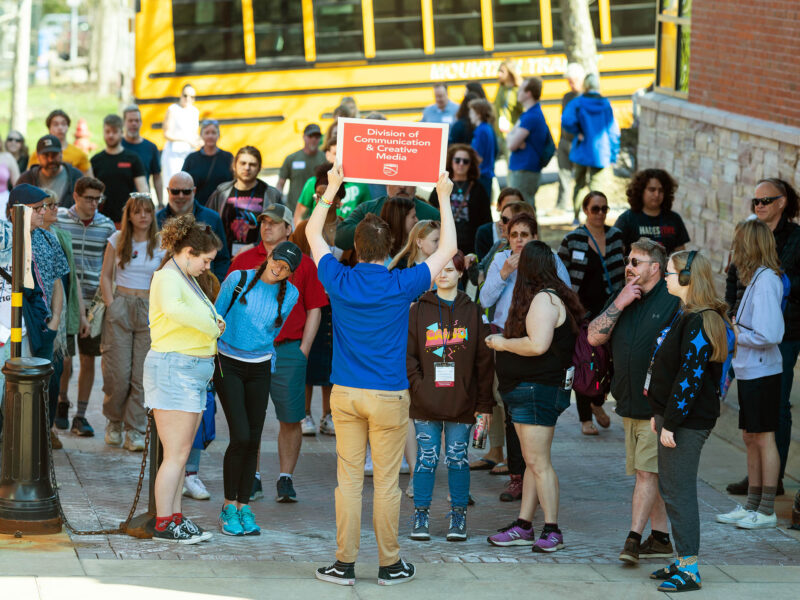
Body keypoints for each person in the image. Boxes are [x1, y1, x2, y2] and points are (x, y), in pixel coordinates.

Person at [310, 166, 457, 587]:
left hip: (346, 393)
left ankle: (344, 564)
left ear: (355, 246)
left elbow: (312, 236)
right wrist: (443, 195)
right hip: (389, 395)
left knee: (348, 483)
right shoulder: (401, 283)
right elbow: (447, 248)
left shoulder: (338, 277)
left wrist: (333, 189)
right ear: (390, 246)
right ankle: (390, 564)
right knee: (388, 485)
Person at [485, 241, 582, 553]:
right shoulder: (551, 295)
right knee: (532, 461)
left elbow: (537, 345)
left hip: (537, 390)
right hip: (532, 390)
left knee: (539, 462)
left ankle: (552, 529)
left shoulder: (543, 299)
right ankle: (524, 525)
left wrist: (503, 343)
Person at [228, 203, 328, 502]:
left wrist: (305, 348)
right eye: (263, 222)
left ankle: (286, 478)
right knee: (250, 417)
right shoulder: (244, 260)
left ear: (288, 228)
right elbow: (229, 305)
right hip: (250, 352)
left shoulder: (305, 264)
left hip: (289, 351)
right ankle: (253, 476)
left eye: (275, 223)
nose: (267, 227)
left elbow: (315, 307)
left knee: (291, 417)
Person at [587, 238, 678, 566]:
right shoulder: (623, 297)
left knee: (646, 474)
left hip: (658, 409)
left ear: (655, 267)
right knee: (648, 474)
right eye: (628, 259)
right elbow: (594, 336)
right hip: (628, 405)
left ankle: (633, 539)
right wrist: (620, 302)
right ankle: (662, 539)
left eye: (636, 262)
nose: (629, 266)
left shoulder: (672, 299)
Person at [647, 251, 731, 592]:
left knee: (679, 491)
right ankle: (682, 559)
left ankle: (690, 567)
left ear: (686, 278)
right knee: (670, 487)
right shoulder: (688, 316)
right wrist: (660, 414)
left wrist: (671, 422)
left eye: (668, 273)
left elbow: (690, 377)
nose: (665, 278)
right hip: (676, 417)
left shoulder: (699, 320)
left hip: (686, 421)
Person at [480, 213, 570, 501]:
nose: (519, 240)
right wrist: (505, 272)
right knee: (510, 412)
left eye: (525, 235)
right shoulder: (500, 260)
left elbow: (565, 294)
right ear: (507, 237)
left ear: (535, 237)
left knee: (535, 416)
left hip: (539, 342)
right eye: (514, 234)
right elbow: (484, 300)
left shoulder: (550, 260)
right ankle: (517, 476)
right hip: (508, 340)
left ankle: (536, 472)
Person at [144, 213, 222, 543]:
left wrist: (215, 321)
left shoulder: (183, 275)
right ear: (189, 251)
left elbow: (203, 311)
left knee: (181, 453)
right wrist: (212, 324)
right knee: (176, 455)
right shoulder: (167, 277)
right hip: (175, 370)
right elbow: (178, 313)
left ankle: (175, 517)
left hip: (187, 372)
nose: (208, 266)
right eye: (206, 260)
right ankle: (165, 522)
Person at [214, 241, 301, 536]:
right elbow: (215, 319)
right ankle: (228, 507)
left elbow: (273, 332)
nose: (279, 269)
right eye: (278, 261)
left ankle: (243, 505)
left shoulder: (290, 294)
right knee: (239, 435)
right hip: (228, 362)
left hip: (261, 365)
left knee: (253, 438)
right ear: (270, 255)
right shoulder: (238, 278)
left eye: (287, 268)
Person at [407, 251, 494, 542]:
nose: (442, 274)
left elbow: (484, 362)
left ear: (460, 273)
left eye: (449, 269)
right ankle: (421, 515)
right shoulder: (418, 310)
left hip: (462, 402)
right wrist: (418, 387)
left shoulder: (473, 312)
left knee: (458, 459)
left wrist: (483, 405)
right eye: (438, 270)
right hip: (425, 402)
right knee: (426, 458)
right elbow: (408, 356)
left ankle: (458, 516)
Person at [725, 178, 800, 497]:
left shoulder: (795, 239)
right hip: (747, 333)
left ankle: (773, 481)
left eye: (765, 201)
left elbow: (791, 285)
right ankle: (757, 481)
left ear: (782, 202)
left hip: (782, 332)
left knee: (775, 406)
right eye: (755, 201)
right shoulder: (750, 232)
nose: (758, 206)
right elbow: (732, 275)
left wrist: (776, 291)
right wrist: (731, 315)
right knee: (752, 415)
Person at [717, 220, 784, 530]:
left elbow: (770, 333)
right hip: (749, 369)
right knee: (750, 436)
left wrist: (735, 332)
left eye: (739, 242)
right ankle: (753, 504)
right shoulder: (755, 278)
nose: (735, 249)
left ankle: (767, 509)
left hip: (762, 370)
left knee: (764, 436)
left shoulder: (768, 280)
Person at [99, 193, 165, 452]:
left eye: (148, 211)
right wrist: (111, 303)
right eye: (137, 211)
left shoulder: (161, 243)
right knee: (118, 374)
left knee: (141, 376)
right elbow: (105, 276)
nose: (143, 216)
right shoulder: (117, 239)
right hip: (121, 304)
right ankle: (114, 421)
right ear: (129, 215)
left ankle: (134, 429)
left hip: (150, 308)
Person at [54, 177, 117, 436]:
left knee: (89, 358)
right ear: (76, 197)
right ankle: (61, 401)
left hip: (94, 301)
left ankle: (80, 415)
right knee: (65, 359)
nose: (94, 204)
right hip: (66, 299)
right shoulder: (60, 220)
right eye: (89, 198)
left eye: (98, 199)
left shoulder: (106, 225)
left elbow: (111, 265)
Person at [558, 191, 625, 435]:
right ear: (585, 210)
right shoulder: (572, 239)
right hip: (581, 312)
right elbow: (561, 275)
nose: (600, 213)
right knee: (584, 360)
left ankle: (599, 401)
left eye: (604, 209)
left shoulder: (616, 237)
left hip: (611, 309)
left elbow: (623, 270)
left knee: (610, 360)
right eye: (595, 208)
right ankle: (585, 417)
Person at [41, 188, 87, 449]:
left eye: (55, 204)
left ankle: (47, 430)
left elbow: (72, 280)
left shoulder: (62, 237)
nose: (54, 209)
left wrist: (80, 315)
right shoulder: (24, 237)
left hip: (62, 317)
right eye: (48, 205)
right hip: (37, 318)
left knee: (57, 373)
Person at [561, 73, 620, 223]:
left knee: (579, 184)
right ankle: (596, 216)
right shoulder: (605, 104)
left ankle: (576, 216)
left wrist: (577, 131)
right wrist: (614, 154)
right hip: (601, 152)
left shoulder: (578, 102)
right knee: (597, 187)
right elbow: (613, 131)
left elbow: (566, 120)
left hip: (581, 150)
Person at [207, 146, 281, 256]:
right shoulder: (221, 192)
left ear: (259, 168)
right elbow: (207, 224)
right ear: (234, 166)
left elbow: (281, 230)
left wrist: (256, 246)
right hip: (223, 258)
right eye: (243, 163)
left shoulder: (271, 195)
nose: (247, 168)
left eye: (252, 164)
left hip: (259, 257)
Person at [157, 172, 230, 282]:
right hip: (168, 284)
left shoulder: (212, 218)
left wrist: (215, 283)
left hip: (204, 289)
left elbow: (222, 259)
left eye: (186, 192)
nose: (180, 196)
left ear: (194, 191)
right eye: (175, 191)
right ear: (168, 191)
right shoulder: (157, 220)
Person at [427, 144, 491, 256]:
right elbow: (431, 211)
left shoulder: (478, 188)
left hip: (470, 244)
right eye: (457, 160)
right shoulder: (442, 184)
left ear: (471, 164)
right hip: (444, 242)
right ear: (451, 161)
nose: (461, 164)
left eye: (465, 161)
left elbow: (486, 218)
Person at [334, 185, 440, 251]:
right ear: (386, 182)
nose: (402, 186)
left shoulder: (432, 214)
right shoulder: (368, 208)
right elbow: (340, 238)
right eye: (396, 180)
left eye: (408, 180)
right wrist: (376, 227)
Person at [293, 140, 370, 225]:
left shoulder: (360, 184)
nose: (339, 159)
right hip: (317, 232)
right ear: (327, 155)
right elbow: (299, 215)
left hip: (349, 235)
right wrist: (299, 236)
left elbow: (367, 216)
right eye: (335, 154)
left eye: (344, 154)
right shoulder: (314, 182)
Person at [615, 169, 689, 255]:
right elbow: (617, 253)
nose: (657, 194)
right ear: (641, 191)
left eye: (661, 191)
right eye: (652, 190)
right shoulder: (627, 219)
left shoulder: (674, 219)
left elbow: (681, 254)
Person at [91, 115, 148, 225]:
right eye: (107, 131)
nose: (110, 135)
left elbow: (143, 189)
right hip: (100, 220)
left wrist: (141, 209)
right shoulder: (96, 160)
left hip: (127, 219)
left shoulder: (133, 158)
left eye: (114, 132)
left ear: (122, 133)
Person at [507, 77, 554, 209]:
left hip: (525, 169)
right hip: (524, 168)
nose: (518, 92)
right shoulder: (529, 114)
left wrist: (513, 138)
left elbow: (511, 144)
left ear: (528, 93)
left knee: (523, 209)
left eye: (521, 90)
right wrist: (513, 138)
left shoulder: (531, 116)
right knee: (526, 207)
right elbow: (511, 138)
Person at [17, 135, 83, 208]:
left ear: (61, 154)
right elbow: (12, 209)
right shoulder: (26, 180)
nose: (50, 160)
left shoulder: (76, 177)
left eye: (54, 155)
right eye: (46, 155)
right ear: (38, 157)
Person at [182, 120, 234, 207]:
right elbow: (183, 183)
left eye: (214, 133)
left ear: (219, 135)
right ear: (201, 135)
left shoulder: (228, 157)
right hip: (198, 208)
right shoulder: (192, 159)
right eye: (207, 133)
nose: (210, 136)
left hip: (223, 207)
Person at [556, 63, 585, 212]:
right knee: (563, 174)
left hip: (578, 143)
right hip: (564, 141)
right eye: (568, 81)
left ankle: (578, 208)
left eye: (572, 80)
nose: (570, 84)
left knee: (580, 177)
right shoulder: (567, 97)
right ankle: (561, 205)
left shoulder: (585, 98)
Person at [122, 105, 164, 208]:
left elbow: (157, 177)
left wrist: (160, 203)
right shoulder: (117, 146)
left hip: (143, 204)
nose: (134, 124)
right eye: (130, 121)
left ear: (141, 123)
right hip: (120, 203)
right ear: (124, 122)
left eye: (137, 120)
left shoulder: (151, 147)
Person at [277, 124, 326, 212]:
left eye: (317, 136)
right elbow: (281, 183)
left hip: (318, 210)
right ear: (304, 137)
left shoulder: (325, 158)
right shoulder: (291, 158)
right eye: (310, 136)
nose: (314, 139)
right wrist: (278, 201)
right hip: (294, 210)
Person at [160, 84, 200, 190]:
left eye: (192, 97)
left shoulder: (195, 111)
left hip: (189, 153)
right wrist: (187, 140)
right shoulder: (173, 109)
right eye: (185, 95)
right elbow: (167, 133)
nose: (188, 99)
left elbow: (194, 134)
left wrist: (200, 141)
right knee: (174, 185)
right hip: (174, 155)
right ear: (181, 95)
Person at [27, 109, 91, 174]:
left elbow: (88, 179)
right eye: (55, 124)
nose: (60, 127)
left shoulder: (79, 154)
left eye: (63, 124)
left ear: (67, 127)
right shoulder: (38, 154)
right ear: (49, 128)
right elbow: (29, 177)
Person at [473, 188, 525, 262]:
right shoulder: (495, 242)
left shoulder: (528, 235)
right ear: (499, 206)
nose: (511, 209)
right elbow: (482, 267)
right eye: (507, 205)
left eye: (516, 207)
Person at [493, 61, 522, 161]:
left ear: (510, 72)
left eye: (502, 71)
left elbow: (524, 114)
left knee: (511, 167)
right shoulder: (501, 88)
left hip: (512, 134)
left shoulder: (518, 90)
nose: (499, 74)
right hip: (499, 134)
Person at [468, 99, 497, 197]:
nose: (469, 115)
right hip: (486, 173)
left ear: (478, 114)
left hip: (482, 174)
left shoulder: (481, 131)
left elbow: (477, 155)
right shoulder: (487, 128)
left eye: (472, 112)